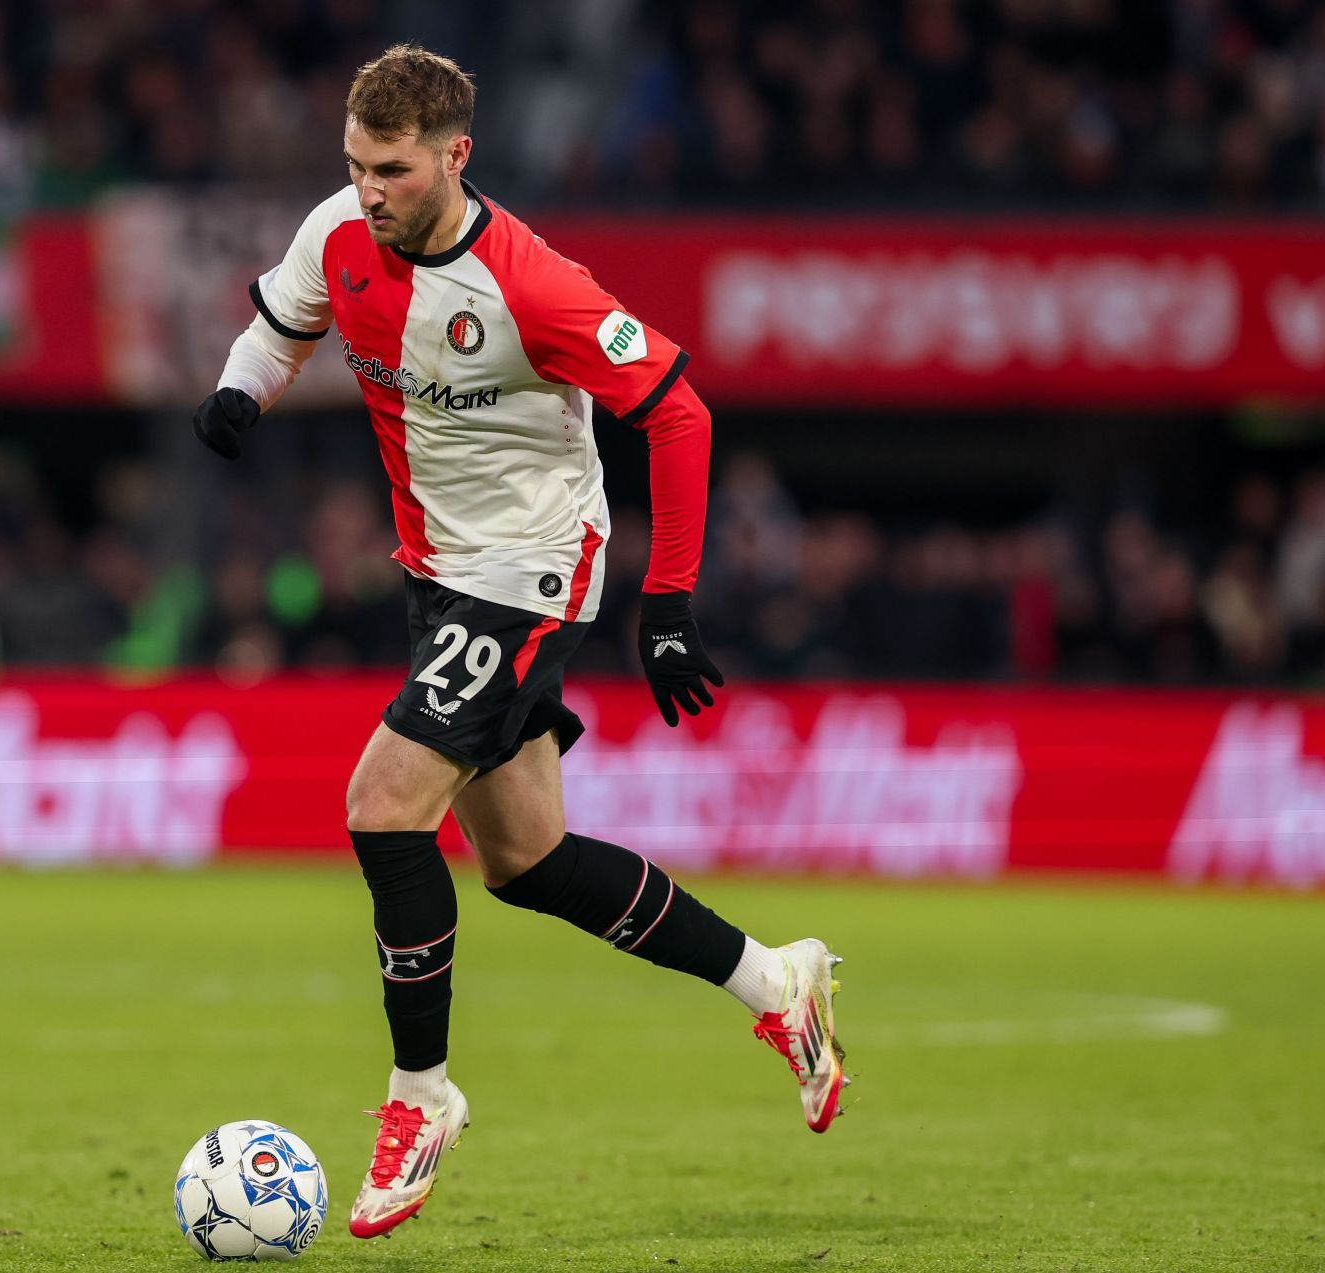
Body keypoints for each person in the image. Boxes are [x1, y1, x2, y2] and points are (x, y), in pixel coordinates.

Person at [192, 44, 849, 1242]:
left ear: (456, 157)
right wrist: (241, 393)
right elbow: (284, 329)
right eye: (354, 165)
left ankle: (420, 1096)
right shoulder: (337, 230)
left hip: (534, 568)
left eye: (392, 169)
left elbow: (680, 410)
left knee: (384, 804)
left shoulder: (531, 285)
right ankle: (775, 978)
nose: (369, 190)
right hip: (438, 573)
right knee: (527, 861)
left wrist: (671, 604)